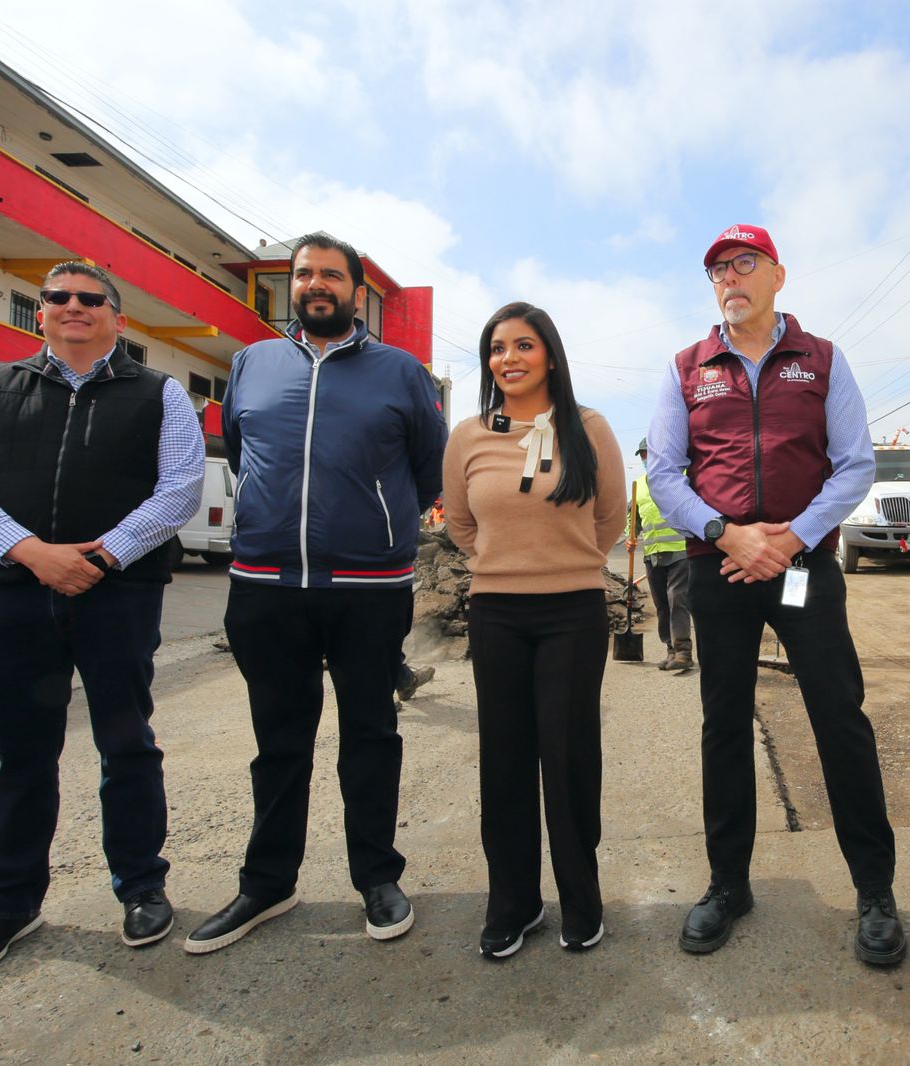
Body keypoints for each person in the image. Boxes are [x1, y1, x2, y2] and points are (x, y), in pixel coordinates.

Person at [0, 262, 204, 983]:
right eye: (58, 298)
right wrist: (31, 553)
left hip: (119, 597)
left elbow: (179, 491)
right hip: (15, 596)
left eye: (91, 299)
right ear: (39, 313)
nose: (73, 308)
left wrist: (104, 557)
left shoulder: (159, 394)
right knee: (21, 754)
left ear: (118, 316)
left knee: (127, 744)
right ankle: (11, 905)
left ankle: (141, 886)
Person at [647, 224, 905, 966]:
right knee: (723, 724)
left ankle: (875, 892)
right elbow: (665, 471)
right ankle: (728, 884)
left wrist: (788, 540)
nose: (731, 278)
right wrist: (728, 534)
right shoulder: (686, 368)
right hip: (720, 568)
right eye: (719, 269)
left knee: (838, 718)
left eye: (745, 263)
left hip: (801, 569)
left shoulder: (822, 360)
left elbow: (855, 465)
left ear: (778, 275)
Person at [186, 233, 447, 954]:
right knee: (278, 743)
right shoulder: (250, 364)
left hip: (369, 588)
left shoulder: (401, 372)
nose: (316, 284)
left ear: (357, 292)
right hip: (266, 588)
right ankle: (268, 882)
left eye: (332, 274)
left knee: (370, 735)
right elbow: (245, 454)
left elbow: (429, 469)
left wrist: (374, 517)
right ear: (291, 288)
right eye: (305, 274)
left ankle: (377, 878)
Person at [441, 302, 626, 958]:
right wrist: (503, 564)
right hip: (497, 616)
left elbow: (611, 518)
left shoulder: (589, 427)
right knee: (506, 761)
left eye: (523, 345)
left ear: (549, 353)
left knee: (569, 757)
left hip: (572, 612)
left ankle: (582, 899)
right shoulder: (468, 435)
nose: (508, 358)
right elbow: (461, 524)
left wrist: (568, 562)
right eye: (496, 348)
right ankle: (513, 904)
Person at [626, 437, 693, 672]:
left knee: (677, 600)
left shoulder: (680, 477)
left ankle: (684, 651)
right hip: (652, 554)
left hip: (680, 551)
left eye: (647, 454)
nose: (645, 459)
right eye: (642, 456)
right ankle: (671, 650)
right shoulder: (639, 485)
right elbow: (633, 517)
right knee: (662, 604)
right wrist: (630, 535)